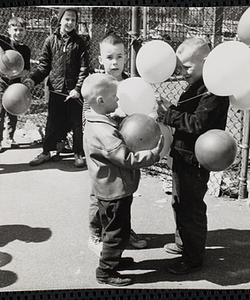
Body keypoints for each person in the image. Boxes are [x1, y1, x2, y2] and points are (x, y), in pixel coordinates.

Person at [82, 73, 163, 286]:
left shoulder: (99, 121)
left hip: (113, 189)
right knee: (116, 232)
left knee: (118, 229)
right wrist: (153, 154)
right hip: (113, 191)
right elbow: (126, 158)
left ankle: (113, 260)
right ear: (101, 100)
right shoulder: (102, 131)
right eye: (115, 97)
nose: (118, 100)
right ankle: (106, 271)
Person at [158, 37, 230, 275]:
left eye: (187, 67)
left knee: (191, 209)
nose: (183, 72)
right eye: (180, 68)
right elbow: (187, 117)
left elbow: (197, 124)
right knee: (179, 203)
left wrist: (170, 114)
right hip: (182, 154)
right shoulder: (197, 84)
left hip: (194, 160)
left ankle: (193, 259)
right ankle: (182, 244)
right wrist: (171, 110)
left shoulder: (213, 91)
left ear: (206, 62)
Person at [86, 33, 148, 256]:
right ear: (100, 59)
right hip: (104, 153)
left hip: (126, 149)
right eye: (109, 57)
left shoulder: (132, 84)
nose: (115, 62)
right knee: (100, 195)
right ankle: (96, 231)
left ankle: (123, 230)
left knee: (124, 196)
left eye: (120, 56)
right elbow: (90, 118)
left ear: (125, 59)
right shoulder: (97, 85)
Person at [24, 7, 89, 168]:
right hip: (55, 90)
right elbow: (43, 66)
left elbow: (84, 68)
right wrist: (32, 80)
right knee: (52, 123)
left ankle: (78, 153)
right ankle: (46, 152)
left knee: (76, 124)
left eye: (73, 20)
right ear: (60, 20)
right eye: (67, 19)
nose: (70, 22)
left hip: (73, 91)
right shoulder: (50, 40)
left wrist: (78, 89)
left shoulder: (80, 42)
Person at [0, 17, 31, 153]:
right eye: (15, 29)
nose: (18, 33)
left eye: (21, 30)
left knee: (13, 111)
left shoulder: (26, 49)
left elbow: (27, 70)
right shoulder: (5, 41)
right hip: (2, 82)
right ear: (9, 30)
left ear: (25, 32)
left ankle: (9, 138)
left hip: (16, 84)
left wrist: (14, 75)